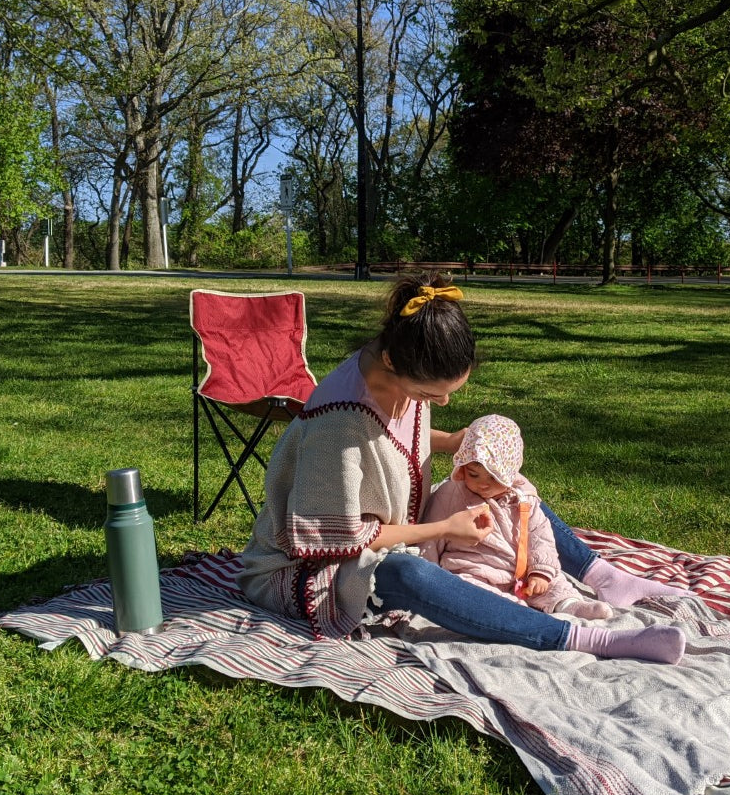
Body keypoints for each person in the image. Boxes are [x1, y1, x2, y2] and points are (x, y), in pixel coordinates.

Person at [237, 271, 684, 664]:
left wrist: (453, 442)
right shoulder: (338, 423)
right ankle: (587, 639)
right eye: (432, 396)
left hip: (392, 528)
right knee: (405, 574)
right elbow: (342, 535)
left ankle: (604, 577)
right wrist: (443, 529)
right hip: (310, 570)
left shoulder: (394, 365)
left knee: (507, 489)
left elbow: (382, 437)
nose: (442, 403)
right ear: (393, 363)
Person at [423, 414, 613, 620]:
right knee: (468, 590)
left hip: (521, 571)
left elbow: (540, 535)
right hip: (475, 569)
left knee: (555, 582)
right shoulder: (450, 494)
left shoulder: (523, 496)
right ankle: (515, 612)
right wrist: (427, 578)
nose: (483, 484)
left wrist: (541, 571)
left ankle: (570, 605)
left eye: (494, 477)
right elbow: (431, 539)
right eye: (473, 474)